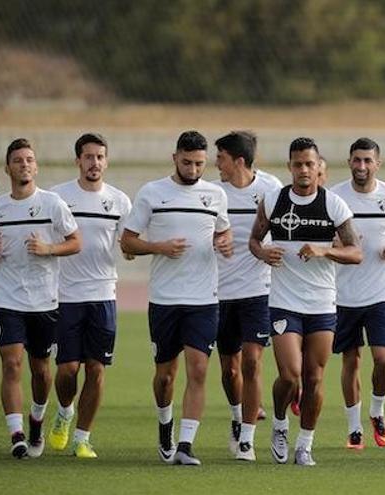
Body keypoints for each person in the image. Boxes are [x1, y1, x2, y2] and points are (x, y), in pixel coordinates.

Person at [120, 131, 232, 465]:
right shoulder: (152, 193)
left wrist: (223, 242)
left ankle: (185, 445)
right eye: (187, 162)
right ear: (174, 158)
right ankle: (165, 422)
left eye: (199, 163)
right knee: (165, 375)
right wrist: (159, 247)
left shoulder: (215, 195)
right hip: (165, 299)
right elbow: (127, 242)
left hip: (204, 298)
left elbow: (222, 231)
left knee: (198, 369)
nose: (194, 169)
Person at [248, 137, 362, 467]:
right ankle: (281, 425)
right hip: (284, 302)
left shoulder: (333, 205)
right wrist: (262, 252)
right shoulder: (274, 201)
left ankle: (305, 444)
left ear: (318, 167)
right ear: (290, 167)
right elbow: (254, 239)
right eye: (297, 164)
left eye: (309, 164)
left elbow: (355, 253)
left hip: (322, 305)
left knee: (314, 378)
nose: (303, 170)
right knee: (291, 374)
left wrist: (325, 249)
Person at [0, 138, 81, 458]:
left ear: (36, 166)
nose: (24, 164)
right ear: (7, 168)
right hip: (7, 300)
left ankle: (37, 419)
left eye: (29, 159)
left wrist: (49, 249)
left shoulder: (52, 203)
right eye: (18, 160)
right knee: (11, 364)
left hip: (45, 302)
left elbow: (75, 242)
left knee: (41, 371)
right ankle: (16, 435)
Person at [45, 133, 131, 459]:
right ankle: (65, 411)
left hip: (103, 294)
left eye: (100, 157)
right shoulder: (57, 197)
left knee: (96, 368)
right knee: (67, 370)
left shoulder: (120, 201)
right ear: (78, 161)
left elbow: (128, 241)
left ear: (106, 161)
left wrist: (134, 249)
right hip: (65, 295)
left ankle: (82, 437)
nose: (94, 163)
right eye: (88, 157)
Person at [330, 138, 385, 450]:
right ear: (349, 161)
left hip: (379, 294)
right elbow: (325, 234)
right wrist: (334, 247)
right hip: (343, 295)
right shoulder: (335, 196)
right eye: (357, 160)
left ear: (378, 163)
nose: (362, 166)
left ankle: (376, 410)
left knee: (383, 361)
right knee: (350, 361)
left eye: (368, 161)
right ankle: (354, 429)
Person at [212, 131, 281, 461]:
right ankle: (238, 417)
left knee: (253, 361)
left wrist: (269, 250)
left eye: (221, 157)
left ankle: (248, 440)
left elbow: (284, 230)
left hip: (258, 290)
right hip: (219, 291)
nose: (216, 164)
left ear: (238, 160)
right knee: (230, 370)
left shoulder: (271, 189)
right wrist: (215, 240)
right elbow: (200, 231)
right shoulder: (213, 193)